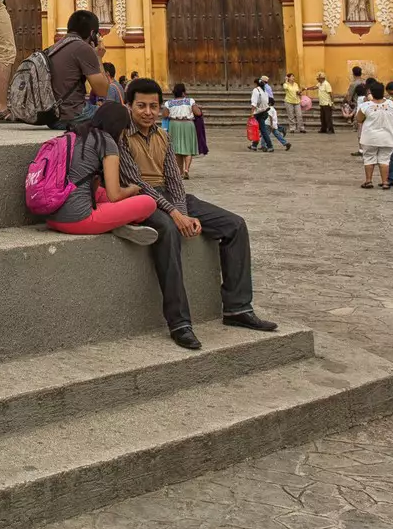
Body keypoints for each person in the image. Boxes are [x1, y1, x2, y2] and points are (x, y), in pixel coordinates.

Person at [118, 79, 277, 348]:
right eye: (141, 106)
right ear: (128, 105)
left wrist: (181, 209)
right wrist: (176, 216)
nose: (148, 112)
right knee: (168, 231)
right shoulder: (121, 137)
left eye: (153, 106)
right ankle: (179, 322)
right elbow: (137, 183)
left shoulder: (163, 136)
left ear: (161, 107)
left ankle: (237, 307)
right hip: (140, 200)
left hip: (171, 196)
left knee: (235, 225)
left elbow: (174, 179)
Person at [43, 100, 159, 244]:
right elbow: (115, 195)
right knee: (148, 202)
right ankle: (114, 223)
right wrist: (132, 189)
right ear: (119, 127)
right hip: (76, 220)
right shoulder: (106, 141)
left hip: (51, 217)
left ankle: (114, 223)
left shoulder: (76, 134)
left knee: (100, 192)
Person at [45, 9, 109, 124]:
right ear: (92, 34)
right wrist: (99, 57)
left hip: (53, 116)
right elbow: (103, 91)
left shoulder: (54, 47)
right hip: (73, 115)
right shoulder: (83, 48)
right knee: (118, 112)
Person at [354, 77, 393, 189]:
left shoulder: (366, 106)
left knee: (369, 158)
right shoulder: (391, 104)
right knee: (384, 160)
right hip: (387, 136)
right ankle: (385, 182)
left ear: (371, 93)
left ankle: (368, 181)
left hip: (370, 137)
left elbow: (359, 119)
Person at [166, 84, 198, 177]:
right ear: (183, 92)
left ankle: (179, 171)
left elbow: (164, 114)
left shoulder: (169, 103)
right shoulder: (190, 101)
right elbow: (197, 112)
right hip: (188, 124)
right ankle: (186, 169)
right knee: (188, 147)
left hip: (174, 124)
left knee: (177, 148)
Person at [247, 76, 276, 154]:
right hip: (264, 111)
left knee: (259, 129)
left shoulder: (256, 90)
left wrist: (252, 113)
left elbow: (254, 103)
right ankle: (254, 145)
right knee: (259, 129)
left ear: (256, 84)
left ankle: (269, 146)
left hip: (258, 112)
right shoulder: (264, 91)